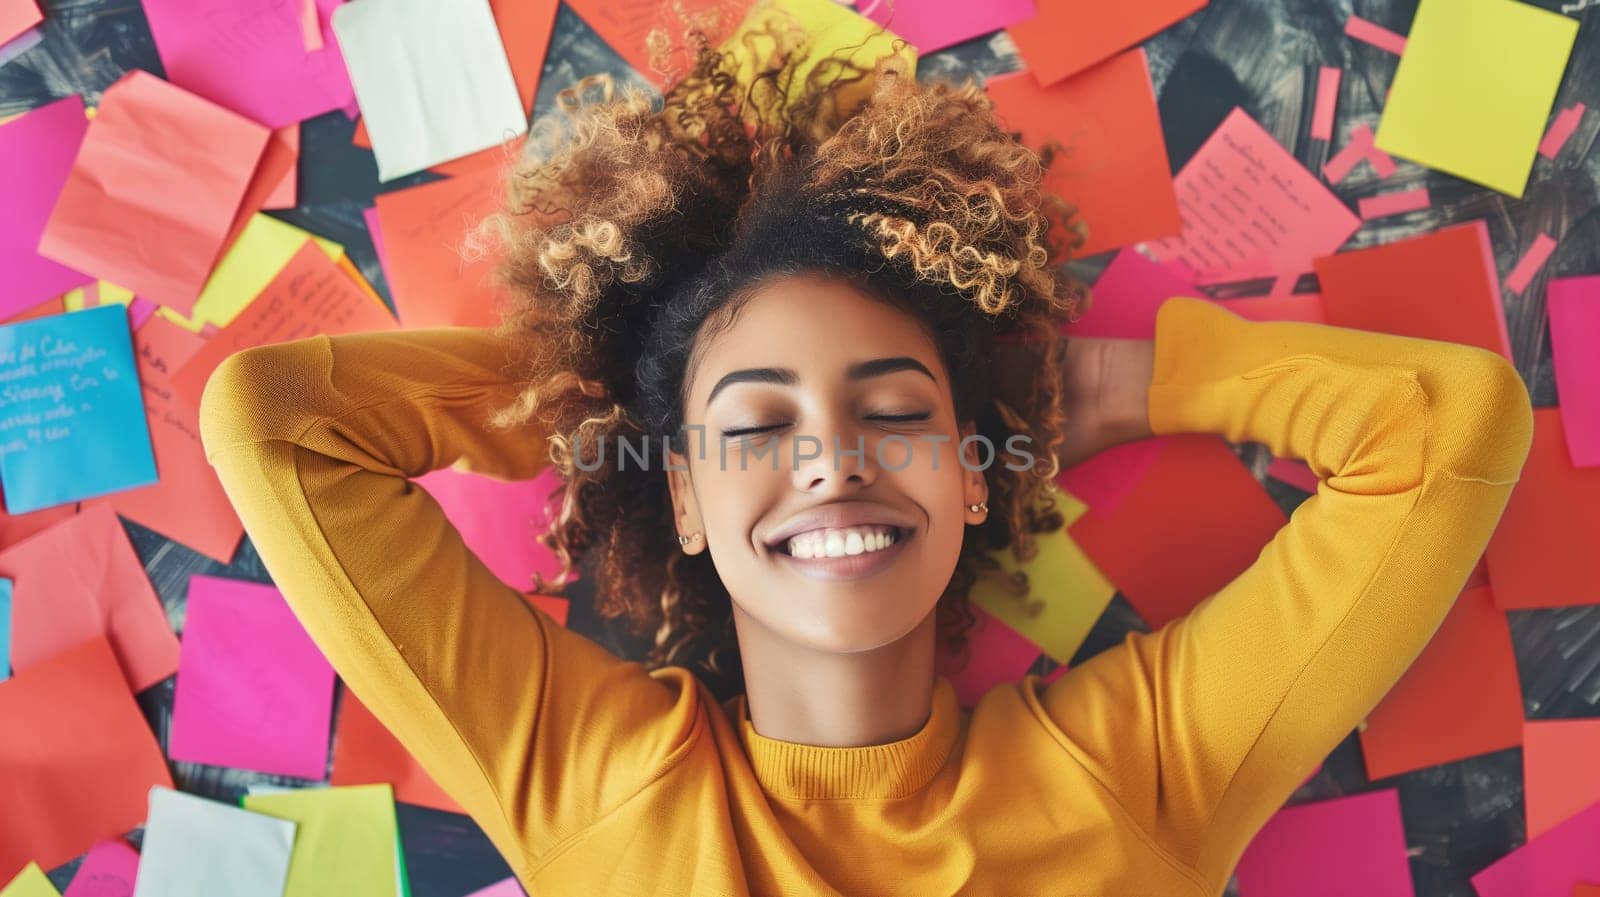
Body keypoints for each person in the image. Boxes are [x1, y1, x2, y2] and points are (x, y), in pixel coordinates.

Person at [197, 7, 1534, 895]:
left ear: (971, 466)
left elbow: (1449, 432)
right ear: (689, 494)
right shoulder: (596, 784)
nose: (831, 457)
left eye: (892, 411)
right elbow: (274, 425)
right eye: (759, 427)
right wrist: (605, 401)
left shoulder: (1133, 777)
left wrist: (1100, 387)